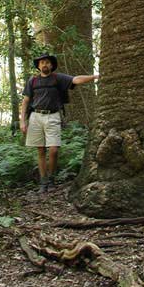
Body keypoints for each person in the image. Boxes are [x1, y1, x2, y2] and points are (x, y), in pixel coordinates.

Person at [20, 53, 98, 194]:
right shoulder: (33, 81)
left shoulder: (58, 78)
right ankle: (44, 182)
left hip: (53, 116)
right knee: (41, 151)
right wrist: (22, 121)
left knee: (54, 150)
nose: (45, 64)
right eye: (42, 62)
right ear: (38, 66)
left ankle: (51, 178)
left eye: (47, 62)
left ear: (51, 65)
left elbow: (76, 80)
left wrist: (95, 77)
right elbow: (25, 101)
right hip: (36, 116)